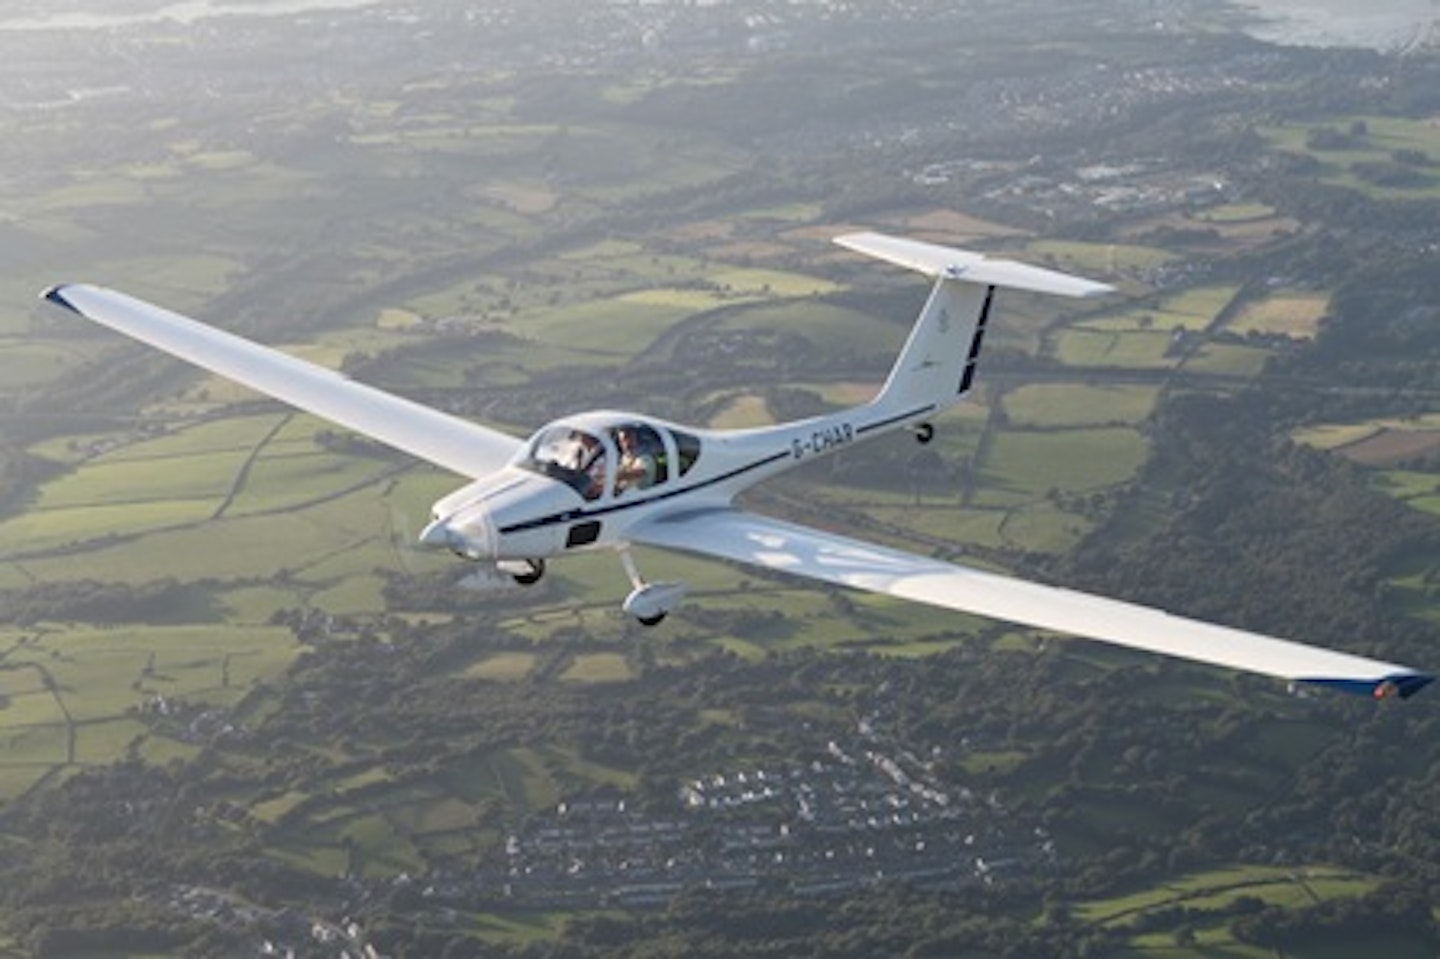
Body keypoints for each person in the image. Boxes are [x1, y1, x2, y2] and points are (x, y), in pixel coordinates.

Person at [614, 426, 657, 494]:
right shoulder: (625, 458)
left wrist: (611, 476)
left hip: (641, 499)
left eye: (629, 438)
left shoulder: (645, 458)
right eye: (623, 441)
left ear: (635, 439)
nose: (626, 443)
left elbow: (637, 473)